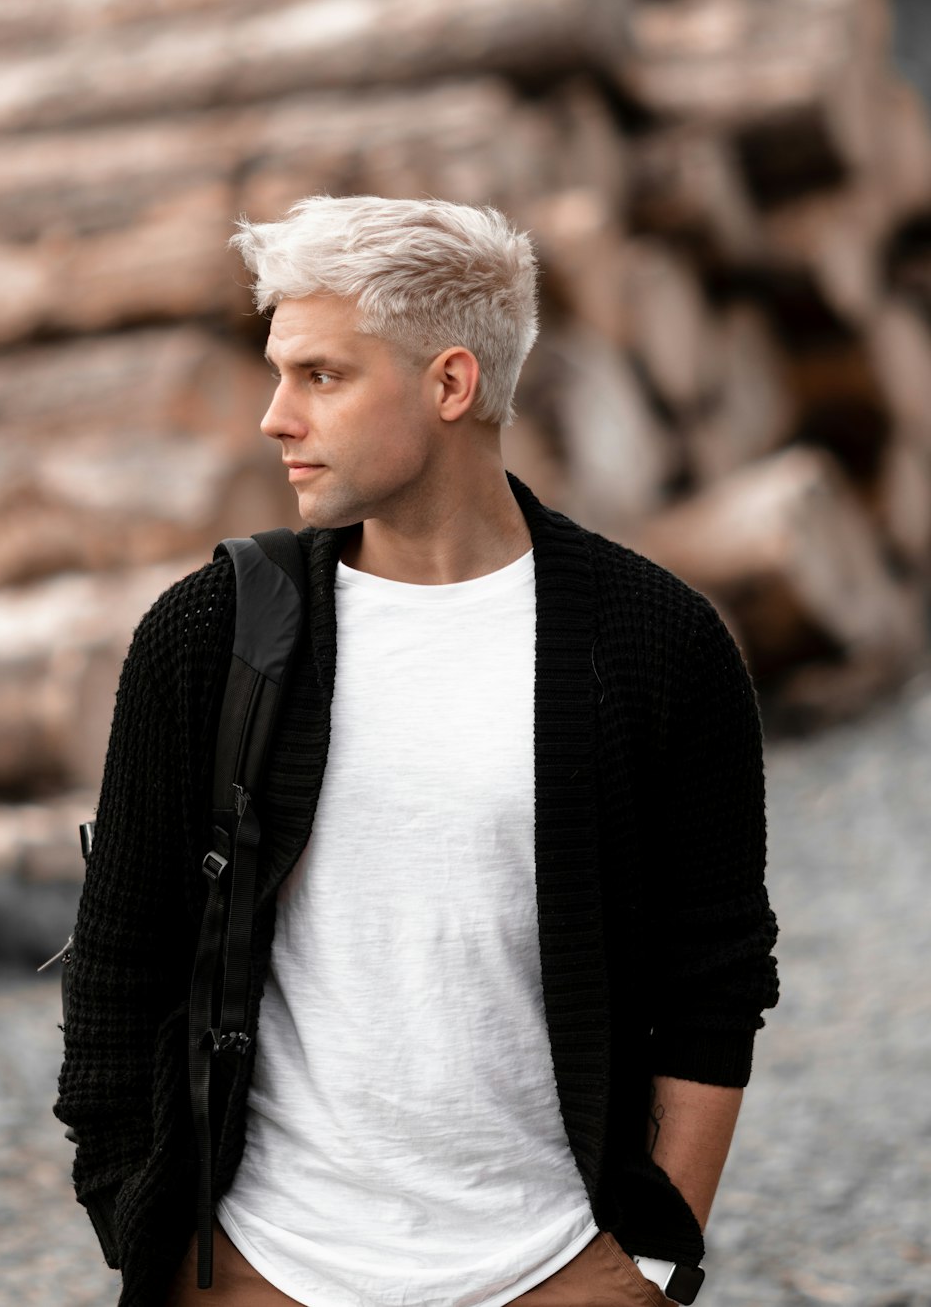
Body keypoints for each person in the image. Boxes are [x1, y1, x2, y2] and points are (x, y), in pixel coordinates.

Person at [55, 195, 779, 1307]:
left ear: (451, 384)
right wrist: (147, 1231)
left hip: (551, 1273)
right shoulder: (212, 636)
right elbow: (119, 954)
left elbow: (713, 980)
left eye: (322, 375)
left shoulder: (657, 645)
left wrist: (641, 1269)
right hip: (263, 1271)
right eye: (276, 371)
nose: (273, 418)